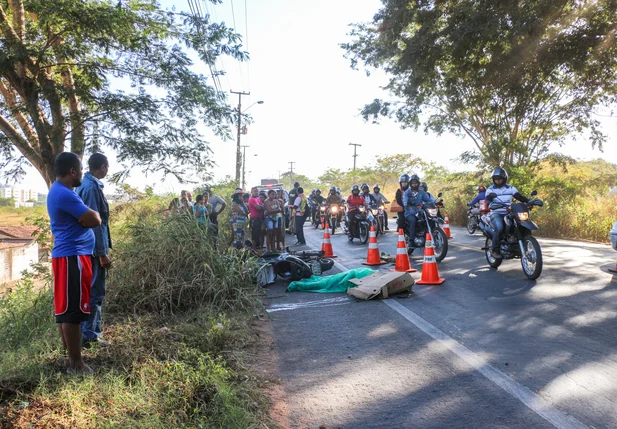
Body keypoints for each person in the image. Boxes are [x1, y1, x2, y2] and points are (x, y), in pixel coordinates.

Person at [47, 152, 102, 374]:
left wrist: (85, 218)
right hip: (73, 257)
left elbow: (86, 219)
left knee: (65, 310)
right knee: (73, 312)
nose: (82, 173)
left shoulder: (60, 191)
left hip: (67, 256)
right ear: (72, 171)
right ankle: (76, 364)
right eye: (80, 170)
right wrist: (89, 217)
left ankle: (70, 355)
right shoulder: (67, 195)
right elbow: (95, 219)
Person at [76, 153, 112, 348]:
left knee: (91, 292)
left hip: (90, 248)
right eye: (108, 167)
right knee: (95, 293)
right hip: (93, 251)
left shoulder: (87, 184)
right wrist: (102, 253)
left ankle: (88, 333)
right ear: (103, 167)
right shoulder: (91, 187)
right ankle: (90, 336)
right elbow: (95, 223)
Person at [485, 168, 529, 259]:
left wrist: (530, 201)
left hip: (508, 212)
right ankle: (495, 250)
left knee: (522, 224)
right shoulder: (490, 189)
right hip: (496, 213)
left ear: (504, 179)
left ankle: (524, 245)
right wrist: (491, 204)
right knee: (500, 228)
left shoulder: (511, 188)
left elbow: (519, 196)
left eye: (499, 178)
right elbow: (488, 200)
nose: (497, 180)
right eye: (496, 179)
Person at [403, 175, 432, 243]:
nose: (414, 184)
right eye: (413, 183)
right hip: (410, 213)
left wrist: (435, 203)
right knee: (413, 220)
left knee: (429, 218)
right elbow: (405, 201)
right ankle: (411, 240)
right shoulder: (407, 192)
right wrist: (407, 203)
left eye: (416, 183)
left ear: (418, 183)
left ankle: (428, 234)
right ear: (410, 184)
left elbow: (428, 200)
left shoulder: (422, 192)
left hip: (420, 212)